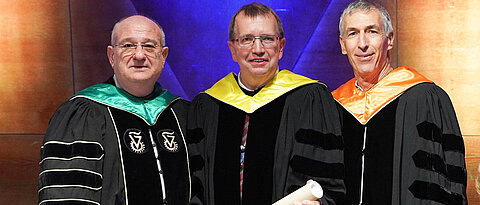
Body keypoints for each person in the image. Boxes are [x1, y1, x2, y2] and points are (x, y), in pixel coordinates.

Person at [187, 2, 344, 205]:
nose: (258, 49)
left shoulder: (309, 99)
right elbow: (195, 185)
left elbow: (329, 182)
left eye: (268, 39)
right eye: (247, 40)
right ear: (232, 49)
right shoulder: (208, 106)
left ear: (281, 47)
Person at [38, 15, 190, 204]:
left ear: (163, 56)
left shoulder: (182, 114)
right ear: (112, 56)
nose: (140, 55)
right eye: (128, 46)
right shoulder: (83, 114)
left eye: (149, 46)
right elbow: (67, 194)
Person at [333, 1, 467, 204]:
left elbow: (444, 183)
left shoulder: (424, 99)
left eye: (372, 32)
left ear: (390, 39)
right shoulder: (333, 106)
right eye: (353, 33)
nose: (362, 44)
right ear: (343, 45)